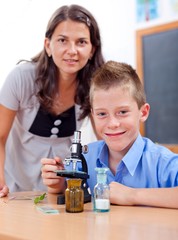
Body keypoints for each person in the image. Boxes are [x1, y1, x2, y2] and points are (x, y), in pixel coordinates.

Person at [41, 60, 178, 208]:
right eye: (102, 114)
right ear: (92, 115)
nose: (112, 124)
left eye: (123, 112)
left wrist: (132, 195)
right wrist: (57, 185)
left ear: (143, 112)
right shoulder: (85, 158)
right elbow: (65, 194)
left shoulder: (161, 162)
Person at [0, 4, 105, 197]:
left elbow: (105, 141)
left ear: (92, 50)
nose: (72, 50)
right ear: (48, 45)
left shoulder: (95, 87)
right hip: (14, 189)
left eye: (81, 42)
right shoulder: (21, 78)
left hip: (61, 191)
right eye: (63, 40)